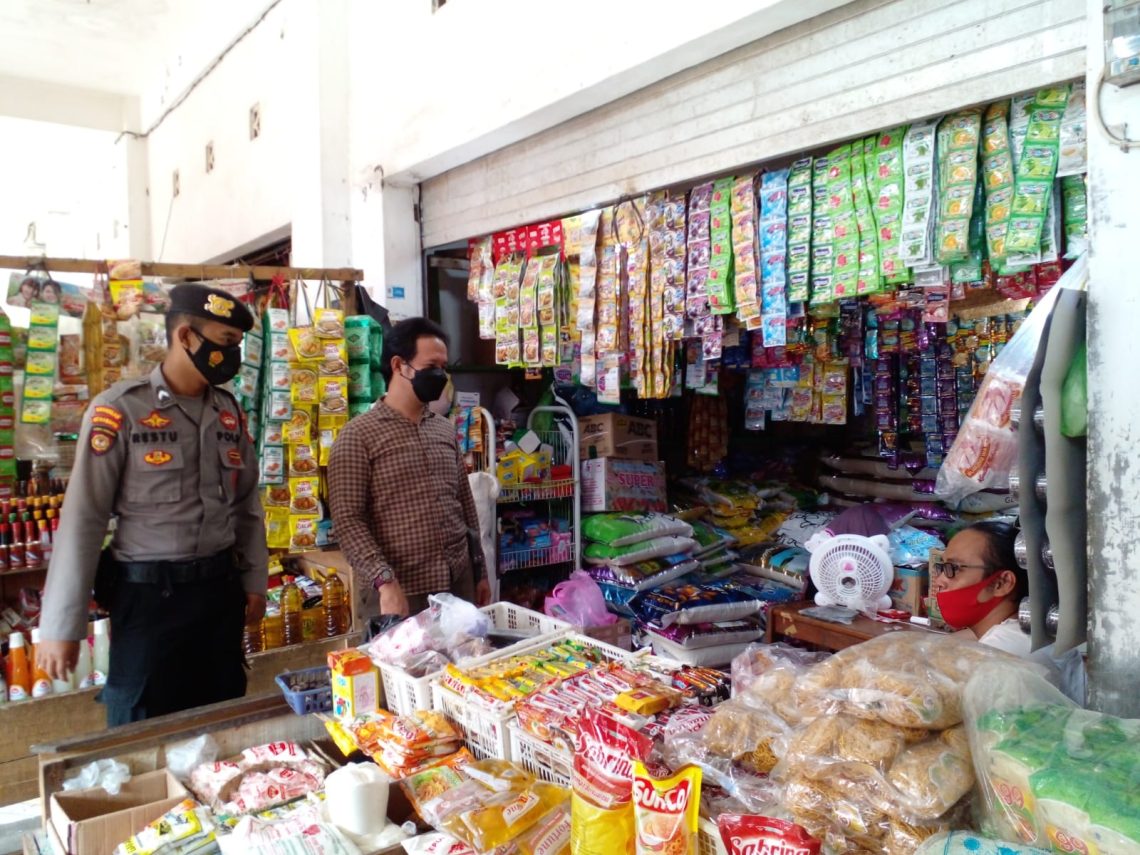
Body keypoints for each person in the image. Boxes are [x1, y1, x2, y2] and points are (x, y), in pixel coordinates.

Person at [37, 284, 268, 725]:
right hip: (148, 600)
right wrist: (61, 626)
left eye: (236, 346)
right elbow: (84, 518)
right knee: (143, 727)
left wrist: (254, 581)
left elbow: (246, 506)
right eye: (225, 344)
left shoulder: (227, 413)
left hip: (219, 595)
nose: (231, 357)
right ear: (185, 337)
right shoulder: (120, 410)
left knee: (222, 720)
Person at [328, 317, 491, 618]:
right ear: (398, 365)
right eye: (431, 367)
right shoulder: (357, 436)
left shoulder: (443, 429)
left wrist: (479, 568)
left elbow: (465, 504)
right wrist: (384, 581)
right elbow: (348, 521)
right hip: (401, 593)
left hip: (458, 585)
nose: (440, 375)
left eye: (444, 367)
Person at [931, 519, 1085, 702]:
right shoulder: (1026, 627)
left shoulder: (1001, 653)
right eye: (942, 567)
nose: (940, 580)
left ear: (1001, 583)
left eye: (953, 569)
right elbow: (962, 639)